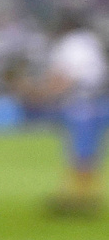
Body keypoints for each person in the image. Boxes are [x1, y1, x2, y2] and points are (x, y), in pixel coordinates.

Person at [37, 12, 105, 217]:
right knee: (88, 152)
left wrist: (46, 93)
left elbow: (64, 75)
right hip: (99, 100)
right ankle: (80, 194)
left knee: (80, 151)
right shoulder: (91, 40)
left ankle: (80, 198)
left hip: (82, 102)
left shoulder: (67, 44)